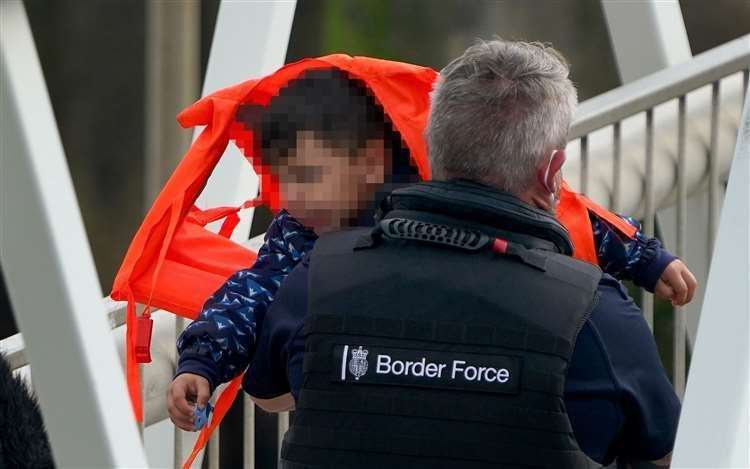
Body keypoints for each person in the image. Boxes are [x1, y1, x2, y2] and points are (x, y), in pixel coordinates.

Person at [168, 43, 686, 467]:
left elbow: (270, 392)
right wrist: (203, 360)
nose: (291, 199)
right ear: (551, 172)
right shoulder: (598, 315)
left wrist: (646, 257)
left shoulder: (312, 281)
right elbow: (668, 452)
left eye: (305, 177)